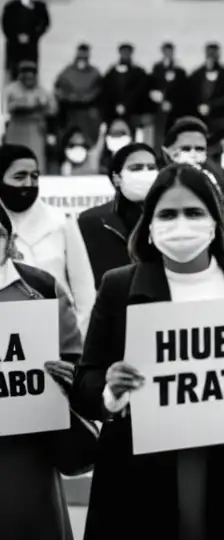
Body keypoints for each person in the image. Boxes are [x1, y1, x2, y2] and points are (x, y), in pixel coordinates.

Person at [71, 163, 224, 540]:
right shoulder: (118, 286)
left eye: (194, 212)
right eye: (167, 214)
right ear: (150, 224)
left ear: (215, 220)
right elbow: (86, 382)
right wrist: (112, 390)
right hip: (142, 466)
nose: (181, 224)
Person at [0, 204, 81, 540]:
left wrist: (67, 377)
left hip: (28, 449)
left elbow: (74, 353)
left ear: (9, 240)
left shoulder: (39, 286)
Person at [64, 141, 158, 335]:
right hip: (107, 324)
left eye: (151, 167)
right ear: (116, 177)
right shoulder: (91, 221)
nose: (146, 173)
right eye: (136, 168)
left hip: (156, 319)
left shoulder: (166, 220)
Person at [0, 143, 71, 291]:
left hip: (57, 311)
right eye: (19, 176)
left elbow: (84, 288)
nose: (28, 184)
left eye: (34, 176)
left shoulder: (60, 221)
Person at [163, 117, 224, 241]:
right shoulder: (160, 181)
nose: (193, 153)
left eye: (199, 148)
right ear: (169, 151)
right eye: (186, 148)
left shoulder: (220, 179)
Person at [186, 43, 224, 160]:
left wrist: (212, 106)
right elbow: (189, 96)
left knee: (218, 156)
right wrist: (198, 107)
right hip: (200, 124)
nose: (211, 57)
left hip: (220, 125)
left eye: (214, 54)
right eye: (209, 53)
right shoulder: (197, 75)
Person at [53, 43, 103, 147]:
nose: (83, 56)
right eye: (81, 53)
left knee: (88, 142)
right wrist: (70, 97)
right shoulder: (67, 72)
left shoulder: (94, 73)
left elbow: (99, 91)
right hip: (71, 113)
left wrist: (87, 97)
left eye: (85, 54)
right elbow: (59, 89)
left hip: (87, 115)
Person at [4, 60, 55, 163]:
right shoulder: (12, 89)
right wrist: (35, 106)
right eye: (25, 73)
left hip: (35, 129)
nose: (28, 77)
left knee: (35, 158)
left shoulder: (41, 91)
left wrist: (39, 106)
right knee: (13, 159)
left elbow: (52, 110)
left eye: (31, 73)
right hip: (17, 128)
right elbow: (12, 108)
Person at [1, 0, 49, 79]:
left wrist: (32, 36)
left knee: (30, 72)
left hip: (31, 47)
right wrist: (16, 37)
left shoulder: (39, 6)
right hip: (14, 47)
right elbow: (5, 25)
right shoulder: (11, 7)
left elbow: (45, 23)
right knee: (14, 73)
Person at [100, 43, 151, 130]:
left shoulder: (139, 72)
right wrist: (116, 106)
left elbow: (141, 91)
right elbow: (106, 91)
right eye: (123, 52)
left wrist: (126, 105)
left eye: (127, 52)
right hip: (113, 113)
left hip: (134, 112)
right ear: (119, 53)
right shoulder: (111, 72)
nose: (125, 54)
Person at [149, 41, 189, 147]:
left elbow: (183, 88)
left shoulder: (179, 69)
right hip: (159, 108)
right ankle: (158, 155)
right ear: (162, 52)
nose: (168, 53)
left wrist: (172, 102)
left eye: (170, 51)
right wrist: (157, 97)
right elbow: (152, 85)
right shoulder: (157, 68)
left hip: (174, 108)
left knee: (173, 132)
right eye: (166, 51)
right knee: (159, 132)